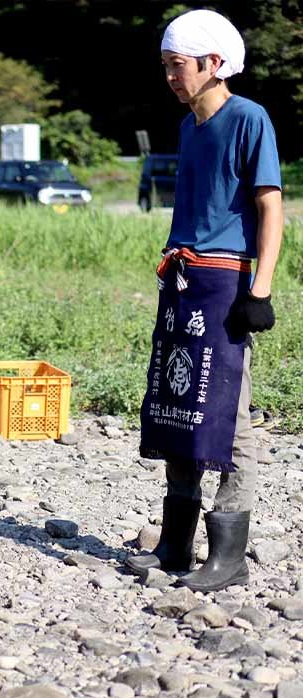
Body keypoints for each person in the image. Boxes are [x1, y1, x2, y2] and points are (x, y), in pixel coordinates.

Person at [126, 9, 282, 592]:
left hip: (226, 281)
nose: (170, 76)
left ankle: (228, 555)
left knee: (228, 413)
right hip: (184, 276)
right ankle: (174, 543)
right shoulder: (189, 126)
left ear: (214, 64)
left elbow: (270, 208)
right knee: (177, 402)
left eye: (178, 66)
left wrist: (260, 291)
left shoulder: (249, 118)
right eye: (165, 66)